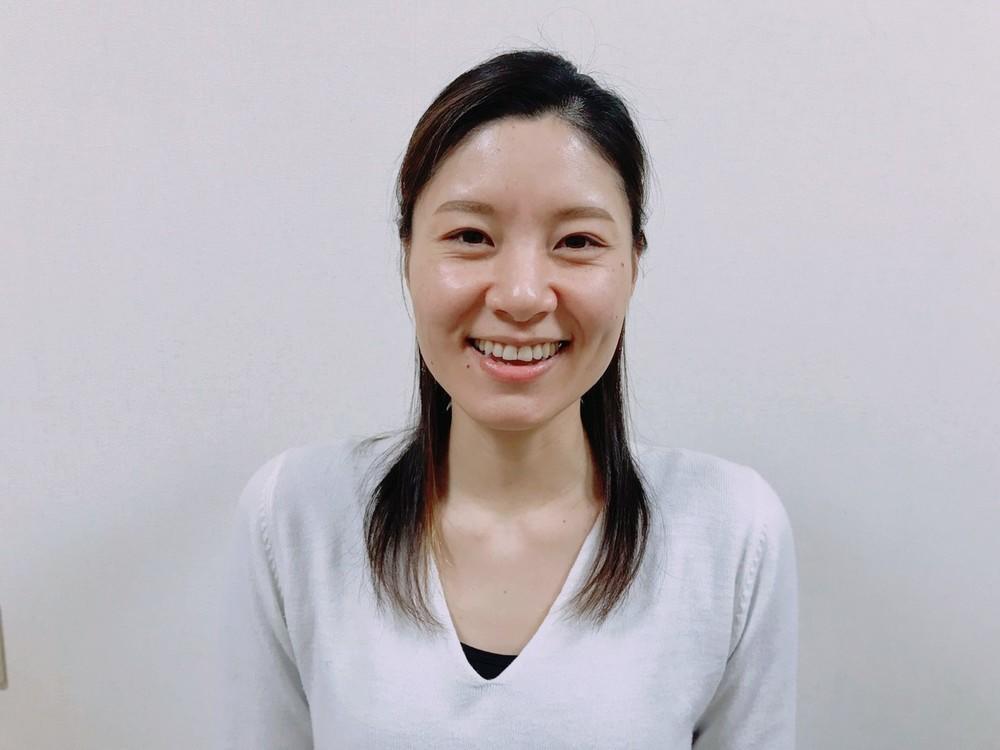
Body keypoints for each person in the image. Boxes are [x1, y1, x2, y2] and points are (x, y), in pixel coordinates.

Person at [222, 48, 799, 749]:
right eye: (471, 236)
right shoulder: (294, 517)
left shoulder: (730, 533)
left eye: (577, 241)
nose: (523, 296)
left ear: (633, 265)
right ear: (408, 256)